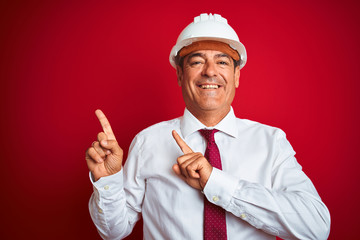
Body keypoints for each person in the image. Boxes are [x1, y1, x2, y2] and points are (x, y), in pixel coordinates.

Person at [86, 13, 330, 240]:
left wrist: (215, 182)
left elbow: (316, 227)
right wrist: (108, 182)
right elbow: (114, 232)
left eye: (222, 62)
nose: (210, 71)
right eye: (196, 62)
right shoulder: (147, 142)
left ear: (236, 76)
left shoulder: (271, 142)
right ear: (180, 75)